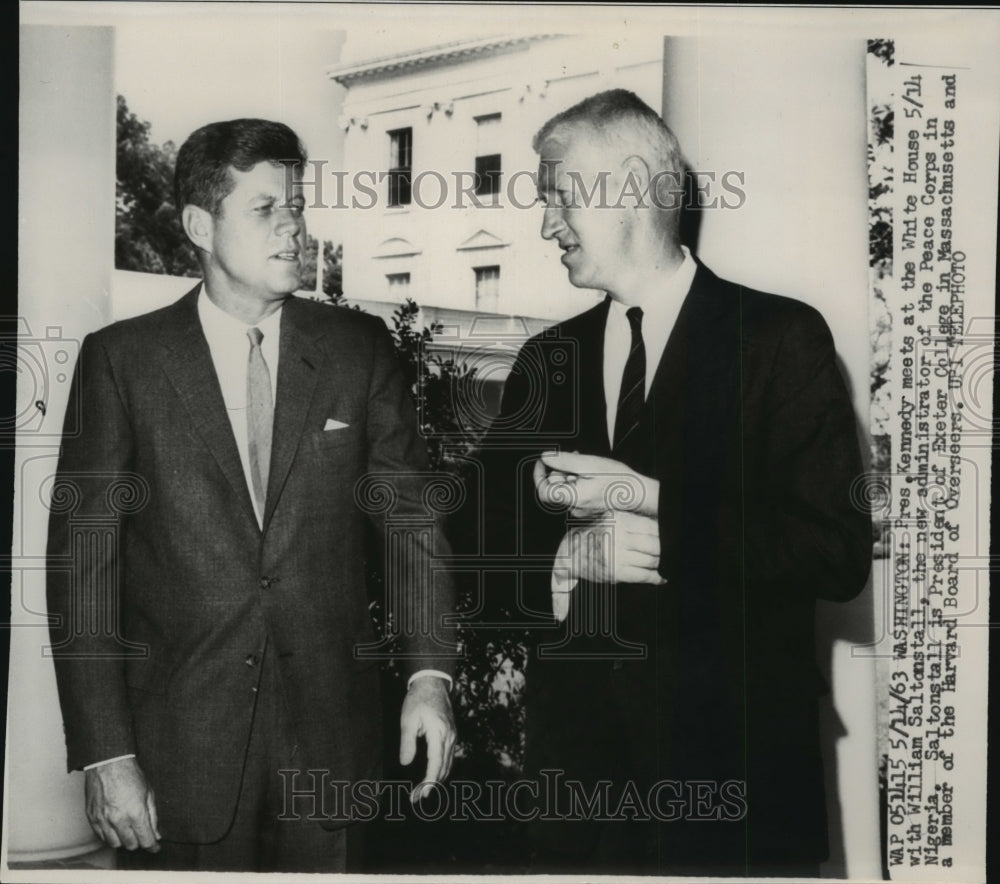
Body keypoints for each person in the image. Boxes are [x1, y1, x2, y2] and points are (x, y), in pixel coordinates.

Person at [465, 90, 872, 876]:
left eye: (559, 196)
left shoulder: (779, 339)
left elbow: (834, 551)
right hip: (580, 805)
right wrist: (563, 560)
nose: (546, 224)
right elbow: (469, 541)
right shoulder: (549, 360)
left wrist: (654, 504)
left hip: (737, 797)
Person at [46, 119, 457, 873]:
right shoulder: (122, 362)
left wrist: (429, 677)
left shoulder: (358, 350)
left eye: (296, 206)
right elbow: (84, 574)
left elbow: (412, 528)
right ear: (200, 226)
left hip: (333, 749)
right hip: (177, 757)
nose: (293, 226)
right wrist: (106, 753)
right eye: (266, 208)